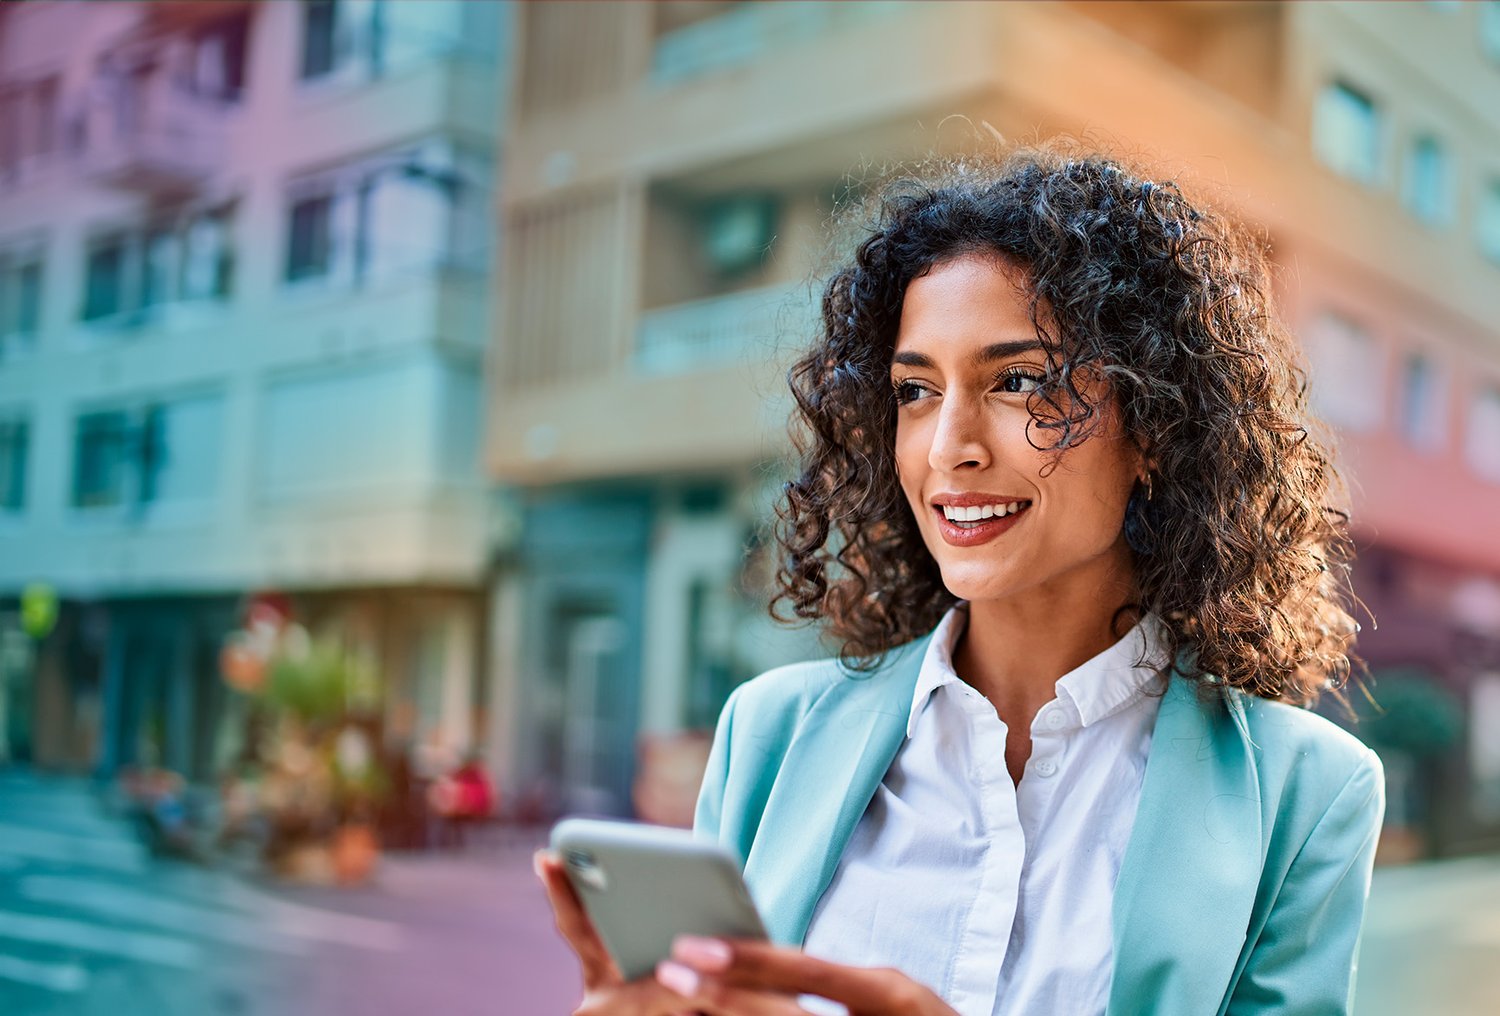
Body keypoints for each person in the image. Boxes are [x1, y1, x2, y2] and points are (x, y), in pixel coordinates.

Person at [535, 142, 1386, 1016]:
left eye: (1016, 382)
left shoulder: (1307, 794)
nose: (948, 449)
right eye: (915, 392)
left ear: (1156, 425)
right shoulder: (771, 735)